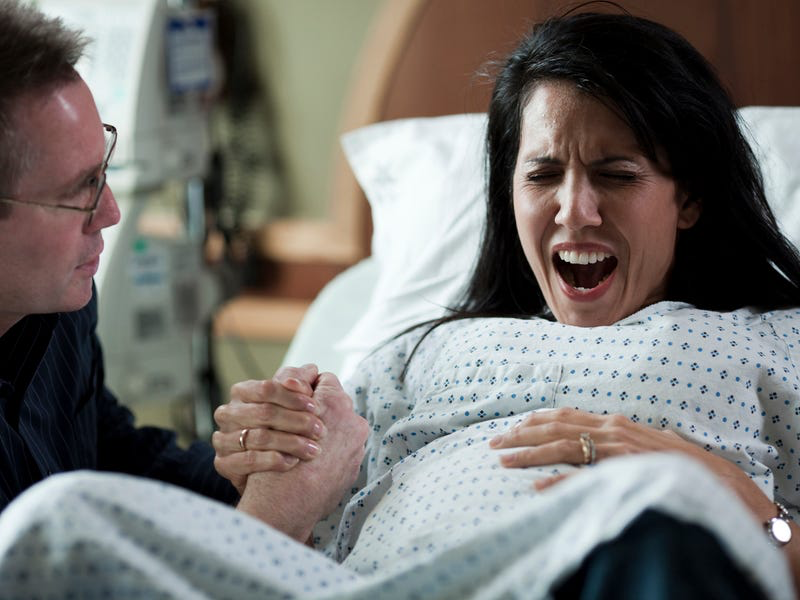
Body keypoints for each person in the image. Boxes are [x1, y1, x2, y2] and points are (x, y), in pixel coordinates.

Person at [1, 9, 799, 599]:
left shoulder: (778, 344)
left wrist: (741, 502)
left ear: (689, 197)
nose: (574, 211)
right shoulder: (418, 352)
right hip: (371, 588)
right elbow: (289, 533)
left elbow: (121, 448)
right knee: (57, 518)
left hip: (604, 567)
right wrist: (277, 471)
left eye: (617, 175)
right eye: (542, 175)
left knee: (655, 506)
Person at [0, 0, 329, 513]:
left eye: (103, 172)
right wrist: (279, 514)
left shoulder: (59, 307)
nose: (110, 212)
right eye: (78, 190)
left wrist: (252, 467)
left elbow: (111, 457)